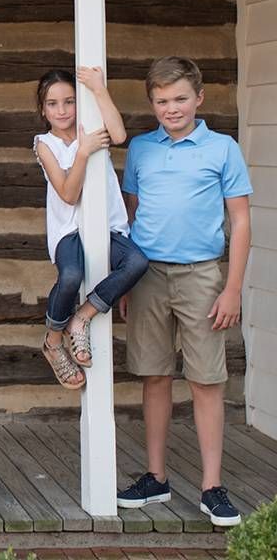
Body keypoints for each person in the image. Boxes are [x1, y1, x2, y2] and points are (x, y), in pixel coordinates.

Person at [117, 57, 252, 527]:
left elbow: (240, 220)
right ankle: (156, 477)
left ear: (199, 98)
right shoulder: (141, 149)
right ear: (151, 103)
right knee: (153, 375)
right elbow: (130, 216)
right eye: (161, 101)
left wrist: (232, 287)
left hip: (202, 276)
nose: (170, 108)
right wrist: (126, 280)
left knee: (205, 380)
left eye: (179, 99)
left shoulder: (222, 149)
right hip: (149, 276)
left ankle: (212, 486)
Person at [32, 68, 148, 390]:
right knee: (70, 276)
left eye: (69, 101)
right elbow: (68, 194)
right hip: (69, 230)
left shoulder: (92, 127)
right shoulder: (45, 145)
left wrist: (98, 90)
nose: (62, 110)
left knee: (137, 262)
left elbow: (120, 136)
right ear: (43, 109)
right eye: (53, 104)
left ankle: (82, 316)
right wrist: (83, 152)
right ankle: (53, 342)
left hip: (106, 224)